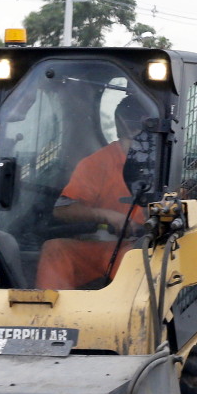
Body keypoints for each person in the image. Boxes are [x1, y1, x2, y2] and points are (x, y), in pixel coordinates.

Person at [35, 96, 150, 290]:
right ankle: (46, 315)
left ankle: (131, 316)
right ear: (121, 126)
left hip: (142, 250)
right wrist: (108, 216)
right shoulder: (98, 163)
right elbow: (63, 209)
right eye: (133, 128)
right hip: (100, 246)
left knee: (136, 258)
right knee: (54, 249)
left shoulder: (169, 164)